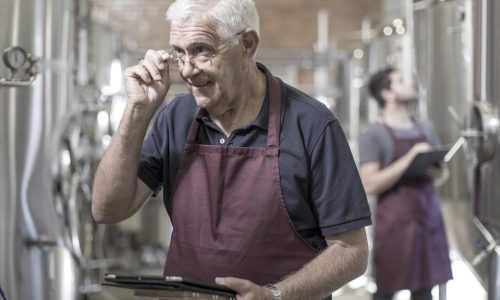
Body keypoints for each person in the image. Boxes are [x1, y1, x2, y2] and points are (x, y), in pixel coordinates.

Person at [91, 0, 372, 299]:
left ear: (247, 44)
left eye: (202, 50)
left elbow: (351, 251)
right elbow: (107, 209)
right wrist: (137, 112)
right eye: (179, 52)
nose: (187, 70)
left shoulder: (312, 125)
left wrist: (275, 295)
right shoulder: (175, 118)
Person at [358, 67, 453, 300]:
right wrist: (411, 158)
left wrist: (437, 172)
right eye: (401, 80)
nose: (410, 83)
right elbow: (369, 184)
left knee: (424, 291)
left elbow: (444, 176)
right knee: (386, 291)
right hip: (395, 226)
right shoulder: (374, 135)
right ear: (387, 93)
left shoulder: (425, 128)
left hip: (429, 219)